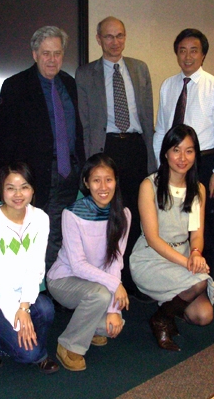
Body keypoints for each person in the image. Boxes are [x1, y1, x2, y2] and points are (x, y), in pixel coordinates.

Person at [75, 16, 156, 302]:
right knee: (109, 216)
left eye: (120, 35)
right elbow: (85, 123)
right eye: (108, 36)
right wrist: (90, 163)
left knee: (135, 213)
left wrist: (152, 157)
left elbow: (148, 117)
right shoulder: (85, 74)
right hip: (105, 148)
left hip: (136, 147)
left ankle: (132, 276)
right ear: (98, 39)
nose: (115, 42)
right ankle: (109, 278)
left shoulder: (139, 69)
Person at [0, 25, 85, 274]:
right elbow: (4, 140)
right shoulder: (15, 86)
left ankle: (57, 290)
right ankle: (33, 299)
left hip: (68, 174)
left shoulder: (69, 84)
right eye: (46, 53)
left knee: (62, 236)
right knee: (32, 238)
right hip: (35, 178)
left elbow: (77, 130)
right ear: (34, 54)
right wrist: (6, 183)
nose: (52, 59)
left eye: (57, 53)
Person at [131, 124, 214, 352]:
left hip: (183, 255)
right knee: (198, 280)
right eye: (176, 150)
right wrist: (188, 263)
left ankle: (163, 313)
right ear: (166, 152)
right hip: (151, 258)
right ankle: (162, 320)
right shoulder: (149, 185)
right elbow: (153, 238)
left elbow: (197, 234)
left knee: (204, 315)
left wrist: (196, 253)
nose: (182, 157)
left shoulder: (198, 189)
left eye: (189, 151)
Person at [153, 29, 214, 276]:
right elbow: (161, 130)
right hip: (172, 165)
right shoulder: (168, 85)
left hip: (204, 164)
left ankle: (203, 283)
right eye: (182, 50)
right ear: (177, 53)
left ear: (203, 55)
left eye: (194, 50)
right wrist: (160, 168)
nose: (187, 56)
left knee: (202, 227)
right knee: (173, 223)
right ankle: (177, 281)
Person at [47, 154, 131, 371]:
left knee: (114, 324)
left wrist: (114, 309)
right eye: (96, 180)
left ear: (116, 181)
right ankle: (68, 345)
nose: (103, 187)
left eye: (109, 179)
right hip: (64, 279)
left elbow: (115, 261)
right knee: (99, 295)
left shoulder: (124, 214)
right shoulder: (72, 214)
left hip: (98, 283)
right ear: (86, 183)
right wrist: (115, 287)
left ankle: (92, 328)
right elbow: (78, 266)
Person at [0, 162, 59, 374]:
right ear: (2, 190)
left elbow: (36, 267)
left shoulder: (40, 218)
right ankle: (15, 348)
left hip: (22, 298)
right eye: (11, 187)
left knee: (47, 309)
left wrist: (23, 307)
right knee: (29, 355)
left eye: (24, 187)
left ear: (32, 189)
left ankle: (5, 343)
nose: (18, 194)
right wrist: (17, 313)